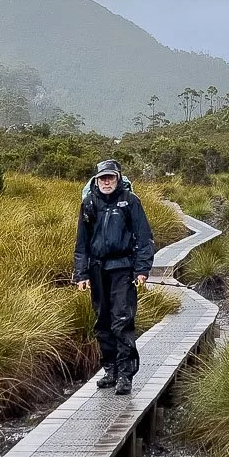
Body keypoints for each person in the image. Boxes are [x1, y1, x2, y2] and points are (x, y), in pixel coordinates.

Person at [73, 159, 155, 395]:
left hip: (122, 269)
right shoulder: (89, 203)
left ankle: (125, 375)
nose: (106, 182)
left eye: (110, 177)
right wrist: (81, 273)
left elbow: (144, 238)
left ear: (118, 178)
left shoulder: (130, 202)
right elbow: (82, 243)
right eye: (102, 178)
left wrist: (142, 270)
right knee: (102, 322)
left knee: (122, 320)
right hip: (98, 270)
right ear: (96, 180)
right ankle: (110, 371)